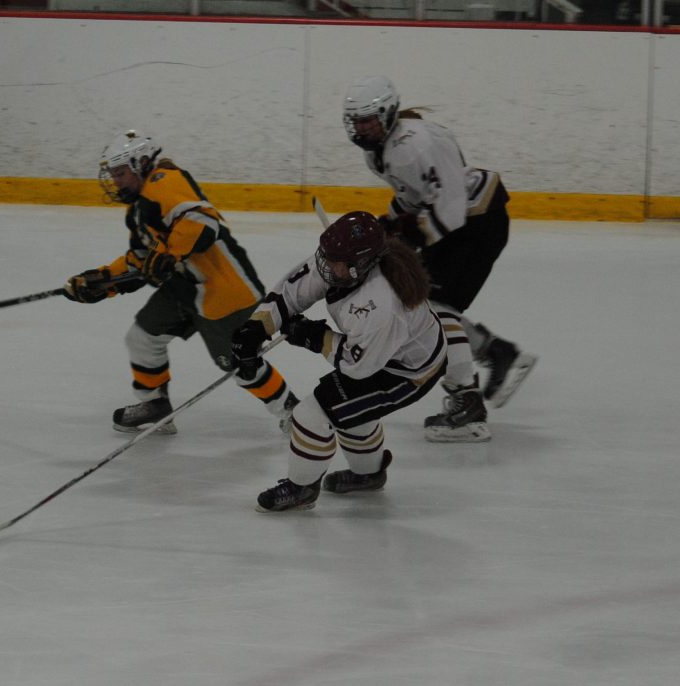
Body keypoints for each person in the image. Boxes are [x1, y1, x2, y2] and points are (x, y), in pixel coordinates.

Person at [62, 130, 298, 435]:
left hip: (224, 289)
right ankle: (155, 405)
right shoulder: (137, 211)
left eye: (120, 173)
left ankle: (292, 410)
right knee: (142, 337)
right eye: (113, 174)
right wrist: (103, 279)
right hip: (184, 289)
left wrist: (167, 254)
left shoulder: (164, 181)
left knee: (241, 365)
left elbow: (203, 222)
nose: (116, 181)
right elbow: (141, 258)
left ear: (142, 163)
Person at [341, 75, 537, 443]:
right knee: (422, 303)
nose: (360, 127)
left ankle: (467, 405)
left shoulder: (415, 145)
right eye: (355, 120)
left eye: (366, 119)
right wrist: (389, 227)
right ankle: (495, 352)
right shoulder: (378, 152)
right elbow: (413, 197)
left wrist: (403, 237)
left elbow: (450, 211)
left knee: (433, 307)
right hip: (461, 224)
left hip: (479, 223)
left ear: (386, 115)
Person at [231, 211, 447, 512]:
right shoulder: (343, 262)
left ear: (361, 265)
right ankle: (369, 475)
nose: (324, 266)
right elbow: (293, 290)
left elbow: (358, 367)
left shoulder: (381, 305)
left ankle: (301, 488)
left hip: (407, 372)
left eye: (333, 262)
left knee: (313, 414)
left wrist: (314, 336)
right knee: (351, 412)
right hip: (382, 354)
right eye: (326, 256)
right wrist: (256, 327)